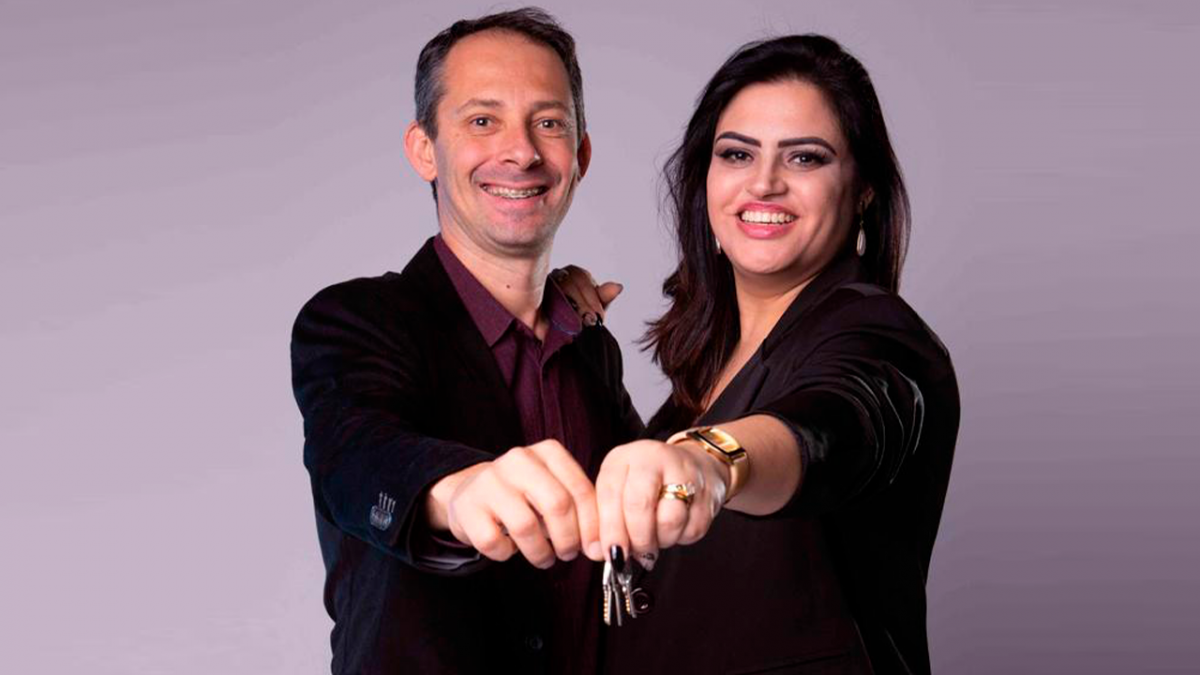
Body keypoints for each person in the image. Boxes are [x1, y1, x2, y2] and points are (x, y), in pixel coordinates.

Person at [560, 35, 959, 673]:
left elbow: (836, 424)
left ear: (863, 190)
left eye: (805, 158)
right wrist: (571, 332)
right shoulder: (710, 370)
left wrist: (715, 462)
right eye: (737, 153)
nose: (765, 183)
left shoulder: (876, 333)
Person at [289, 8, 641, 674]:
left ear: (581, 156)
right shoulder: (357, 319)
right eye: (483, 121)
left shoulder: (592, 348)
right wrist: (454, 490)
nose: (521, 152)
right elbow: (355, 454)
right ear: (424, 148)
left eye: (549, 123)